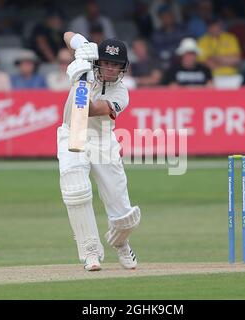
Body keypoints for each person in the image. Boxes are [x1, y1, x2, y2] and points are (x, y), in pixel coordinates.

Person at [57, 32, 141, 271]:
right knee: (76, 190)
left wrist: (81, 80)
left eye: (116, 65)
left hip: (103, 141)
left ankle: (122, 244)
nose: (110, 69)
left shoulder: (121, 93)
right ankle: (90, 252)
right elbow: (67, 35)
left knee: (123, 212)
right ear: (98, 60)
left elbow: (89, 109)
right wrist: (82, 47)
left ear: (123, 68)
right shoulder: (87, 60)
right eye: (106, 62)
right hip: (72, 133)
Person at [150, 4, 188, 71]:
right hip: (165, 65)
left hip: (182, 62)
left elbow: (186, 47)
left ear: (173, 16)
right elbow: (157, 52)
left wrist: (172, 52)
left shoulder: (183, 30)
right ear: (160, 19)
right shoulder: (157, 34)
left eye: (168, 15)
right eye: (164, 16)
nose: (167, 18)